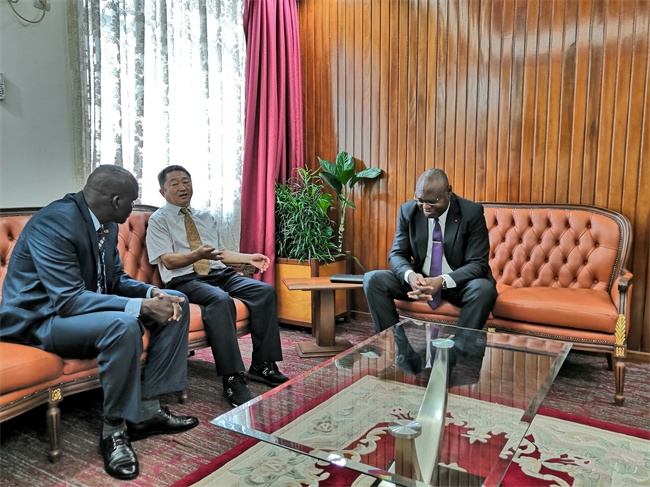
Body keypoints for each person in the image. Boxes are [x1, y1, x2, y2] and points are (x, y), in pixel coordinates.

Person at [0, 165, 199, 481]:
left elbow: (115, 278)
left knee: (177, 301)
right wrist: (141, 306)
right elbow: (68, 301)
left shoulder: (105, 223)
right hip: (39, 320)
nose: (134, 207)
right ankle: (114, 431)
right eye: (132, 201)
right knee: (123, 325)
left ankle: (147, 412)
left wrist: (152, 292)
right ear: (116, 200)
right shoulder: (55, 223)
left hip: (76, 313)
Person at [146, 165, 289, 408]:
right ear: (163, 192)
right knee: (220, 300)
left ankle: (263, 365)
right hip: (185, 279)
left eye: (186, 181)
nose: (182, 187)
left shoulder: (204, 216)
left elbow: (219, 254)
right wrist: (196, 255)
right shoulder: (159, 221)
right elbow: (168, 260)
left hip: (218, 273)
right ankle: (232, 378)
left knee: (264, 291)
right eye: (174, 183)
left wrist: (248, 258)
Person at [363, 168, 497, 356]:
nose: (425, 207)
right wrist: (411, 276)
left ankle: (456, 353)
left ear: (449, 192)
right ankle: (398, 350)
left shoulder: (471, 212)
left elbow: (478, 264)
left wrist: (441, 281)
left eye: (432, 201)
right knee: (373, 279)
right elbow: (397, 254)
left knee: (483, 290)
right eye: (420, 200)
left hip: (457, 283)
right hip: (421, 281)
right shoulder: (408, 211)